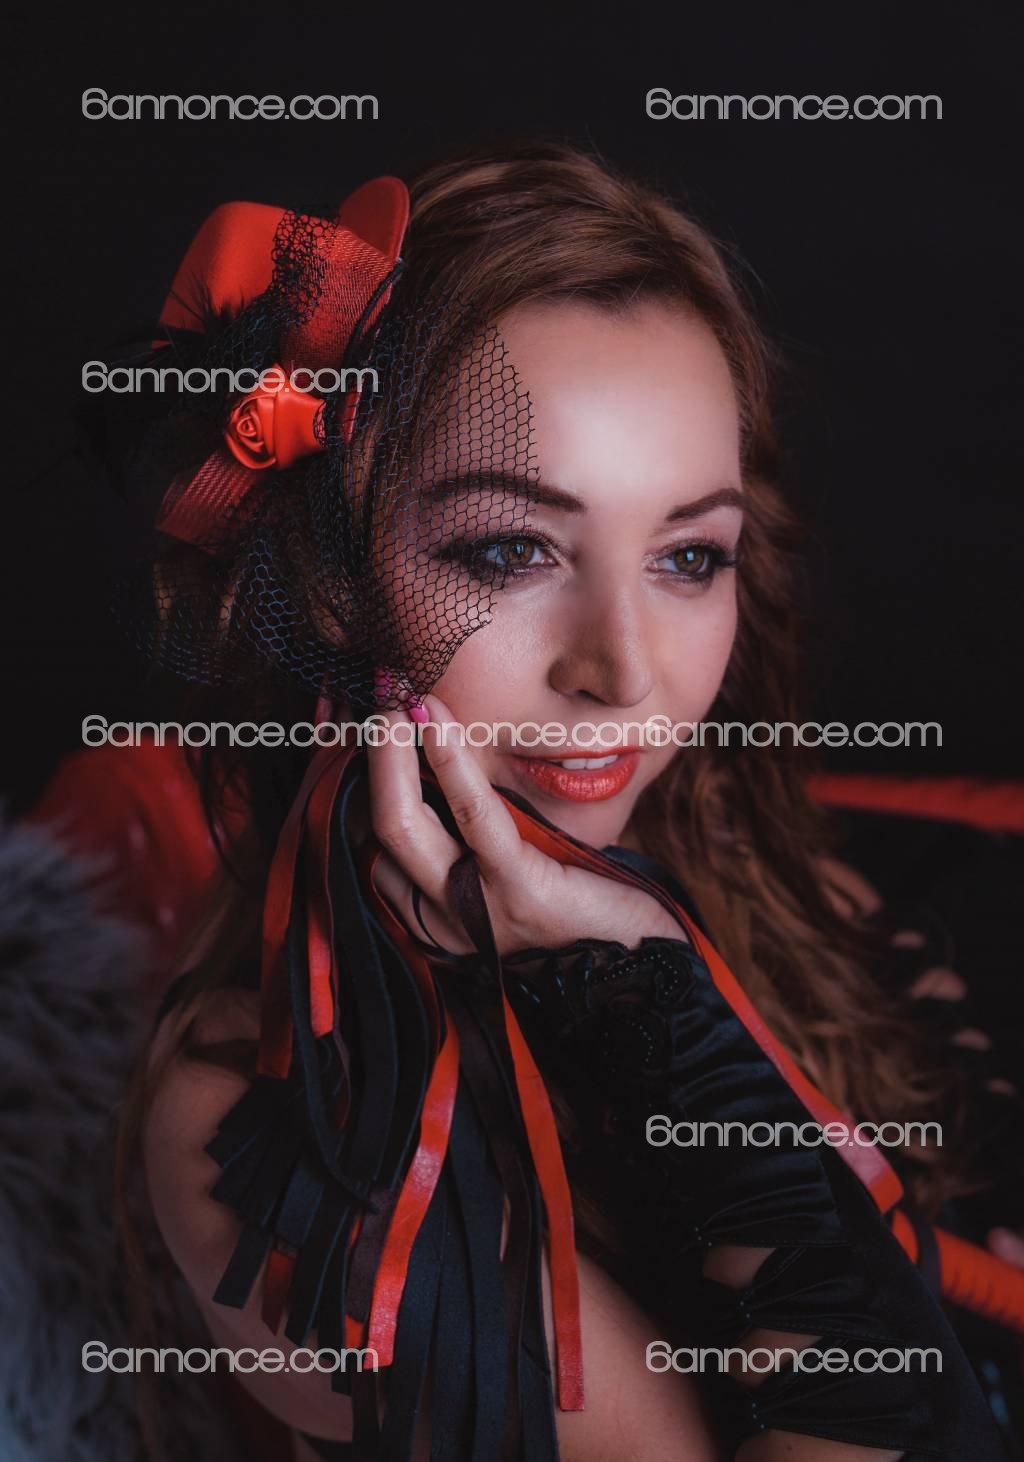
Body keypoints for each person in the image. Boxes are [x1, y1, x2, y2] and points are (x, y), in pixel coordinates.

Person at [115, 142, 1015, 1459]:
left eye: (688, 556)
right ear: (325, 579)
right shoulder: (251, 1141)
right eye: (511, 549)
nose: (623, 672)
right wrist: (659, 1001)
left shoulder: (785, 877)